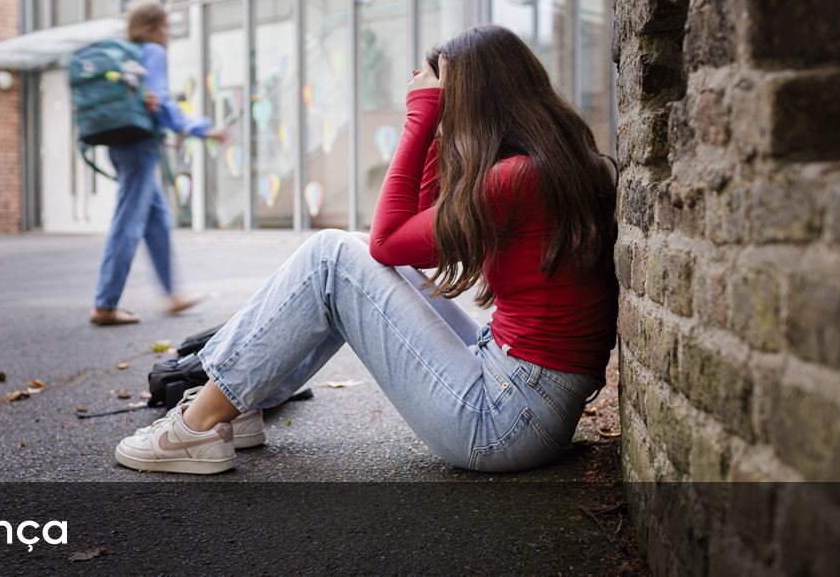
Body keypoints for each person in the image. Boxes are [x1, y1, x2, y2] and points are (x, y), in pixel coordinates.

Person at [113, 25, 618, 474]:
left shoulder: (514, 178)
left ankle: (197, 426)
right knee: (348, 253)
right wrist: (440, 135)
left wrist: (421, 121)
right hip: (525, 398)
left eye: (447, 99)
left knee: (333, 256)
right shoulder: (550, 162)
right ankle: (240, 401)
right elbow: (411, 251)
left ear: (472, 101)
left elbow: (388, 239)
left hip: (503, 420)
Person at [90, 0, 223, 327]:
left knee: (157, 220)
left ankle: (171, 294)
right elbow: (159, 99)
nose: (168, 34)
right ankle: (105, 304)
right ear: (152, 28)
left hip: (122, 143)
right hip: (139, 146)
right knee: (128, 222)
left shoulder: (128, 53)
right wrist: (197, 128)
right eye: (165, 27)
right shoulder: (151, 52)